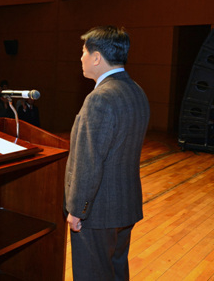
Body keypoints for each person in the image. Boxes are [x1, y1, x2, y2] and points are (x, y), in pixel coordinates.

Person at [64, 26, 150, 281]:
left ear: (97, 57)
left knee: (92, 275)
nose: (81, 58)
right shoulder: (136, 91)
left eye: (83, 52)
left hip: (98, 213)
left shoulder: (100, 98)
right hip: (124, 207)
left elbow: (89, 162)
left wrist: (78, 210)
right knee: (116, 272)